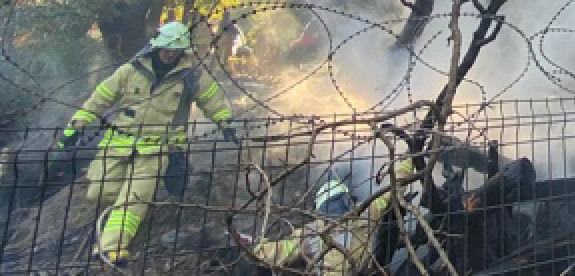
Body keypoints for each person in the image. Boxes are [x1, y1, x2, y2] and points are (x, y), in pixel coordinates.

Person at [57, 21, 236, 265]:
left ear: (182, 51)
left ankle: (111, 248)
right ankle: (114, 230)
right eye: (165, 48)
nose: (169, 53)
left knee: (134, 199)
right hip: (118, 145)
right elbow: (99, 99)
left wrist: (226, 123)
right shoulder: (130, 71)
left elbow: (212, 100)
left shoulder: (191, 77)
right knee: (101, 192)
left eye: (174, 50)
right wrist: (75, 128)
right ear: (156, 46)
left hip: (157, 149)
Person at [246, 159, 417, 274]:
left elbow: (280, 251)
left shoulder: (313, 231)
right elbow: (393, 191)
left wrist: (257, 247)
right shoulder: (366, 213)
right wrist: (407, 163)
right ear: (348, 199)